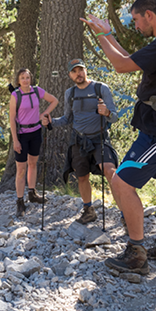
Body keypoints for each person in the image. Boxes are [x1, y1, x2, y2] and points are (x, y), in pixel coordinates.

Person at [82, 0, 156, 274]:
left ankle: (136, 254)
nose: (134, 25)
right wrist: (107, 34)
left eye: (135, 19)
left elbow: (120, 66)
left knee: (120, 182)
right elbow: (130, 59)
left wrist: (101, 36)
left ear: (149, 15)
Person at [53, 59, 119, 224]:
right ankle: (88, 211)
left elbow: (115, 116)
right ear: (70, 75)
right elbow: (67, 118)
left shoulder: (100, 88)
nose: (78, 74)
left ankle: (125, 211)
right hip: (79, 139)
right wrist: (51, 122)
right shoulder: (70, 93)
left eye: (80, 70)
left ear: (86, 70)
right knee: (82, 176)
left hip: (99, 138)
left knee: (111, 172)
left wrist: (107, 113)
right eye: (74, 71)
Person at [8, 68, 59, 217]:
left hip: (36, 132)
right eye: (22, 78)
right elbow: (11, 119)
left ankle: (32, 193)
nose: (25, 80)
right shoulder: (15, 95)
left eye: (27, 77)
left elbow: (54, 100)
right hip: (22, 135)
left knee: (33, 164)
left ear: (31, 79)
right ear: (18, 81)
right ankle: (20, 202)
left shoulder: (37, 91)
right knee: (21, 170)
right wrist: (15, 140)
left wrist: (44, 114)